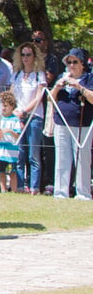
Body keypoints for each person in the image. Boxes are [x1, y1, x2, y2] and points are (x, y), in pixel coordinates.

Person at [48, 48, 93, 200]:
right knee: (61, 158)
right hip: (61, 122)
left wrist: (79, 87)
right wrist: (57, 87)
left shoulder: (89, 78)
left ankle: (83, 193)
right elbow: (50, 99)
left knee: (82, 159)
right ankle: (60, 193)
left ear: (82, 64)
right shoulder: (62, 76)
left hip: (82, 124)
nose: (71, 65)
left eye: (75, 62)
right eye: (69, 62)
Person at [10, 41, 47, 194]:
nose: (25, 58)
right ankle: (19, 186)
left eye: (28, 55)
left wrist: (25, 110)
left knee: (33, 154)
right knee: (19, 153)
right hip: (18, 116)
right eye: (23, 55)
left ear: (34, 56)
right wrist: (15, 112)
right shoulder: (17, 74)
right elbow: (11, 95)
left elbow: (39, 97)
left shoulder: (39, 75)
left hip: (34, 117)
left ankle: (34, 187)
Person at [0, 89, 21, 193]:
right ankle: (3, 190)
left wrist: (9, 131)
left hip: (10, 151)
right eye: (2, 106)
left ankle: (14, 190)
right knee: (1, 172)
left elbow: (17, 136)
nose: (3, 108)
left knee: (11, 171)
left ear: (12, 106)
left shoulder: (15, 119)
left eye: (6, 106)